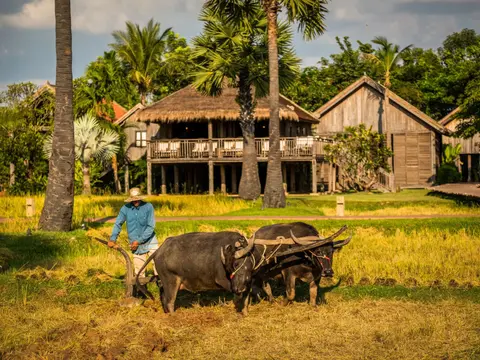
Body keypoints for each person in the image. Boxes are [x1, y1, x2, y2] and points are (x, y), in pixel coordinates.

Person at [108, 188, 158, 277]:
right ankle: (141, 289)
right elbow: (118, 224)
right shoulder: (125, 209)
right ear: (130, 199)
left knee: (158, 267)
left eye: (137, 199)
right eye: (133, 200)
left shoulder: (148, 207)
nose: (136, 201)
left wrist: (139, 240)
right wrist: (112, 239)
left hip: (151, 241)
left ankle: (162, 288)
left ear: (140, 198)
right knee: (139, 272)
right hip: (135, 245)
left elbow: (151, 226)